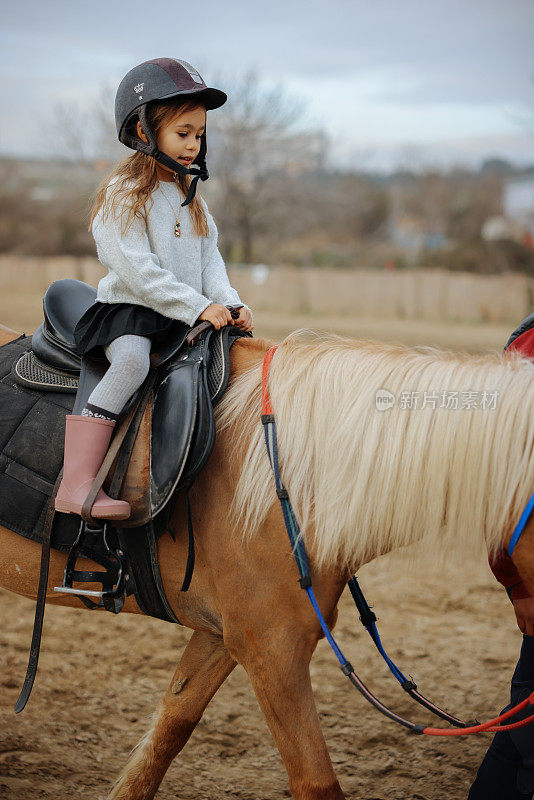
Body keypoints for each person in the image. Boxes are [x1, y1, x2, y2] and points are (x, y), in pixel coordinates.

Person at [54, 57, 253, 521]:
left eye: (199, 134)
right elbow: (136, 270)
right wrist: (198, 306)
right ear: (145, 131)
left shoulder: (190, 194)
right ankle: (77, 482)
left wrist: (228, 301)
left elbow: (210, 261)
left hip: (183, 311)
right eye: (183, 133)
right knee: (130, 362)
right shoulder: (126, 192)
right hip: (132, 310)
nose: (193, 145)